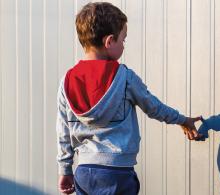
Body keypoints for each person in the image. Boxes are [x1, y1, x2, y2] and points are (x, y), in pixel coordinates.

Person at [56, 2, 201, 194]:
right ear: (109, 42)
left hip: (84, 173)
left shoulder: (67, 80)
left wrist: (65, 169)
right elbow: (154, 107)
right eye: (123, 40)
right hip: (118, 173)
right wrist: (182, 120)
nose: (124, 45)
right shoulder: (124, 77)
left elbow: (63, 130)